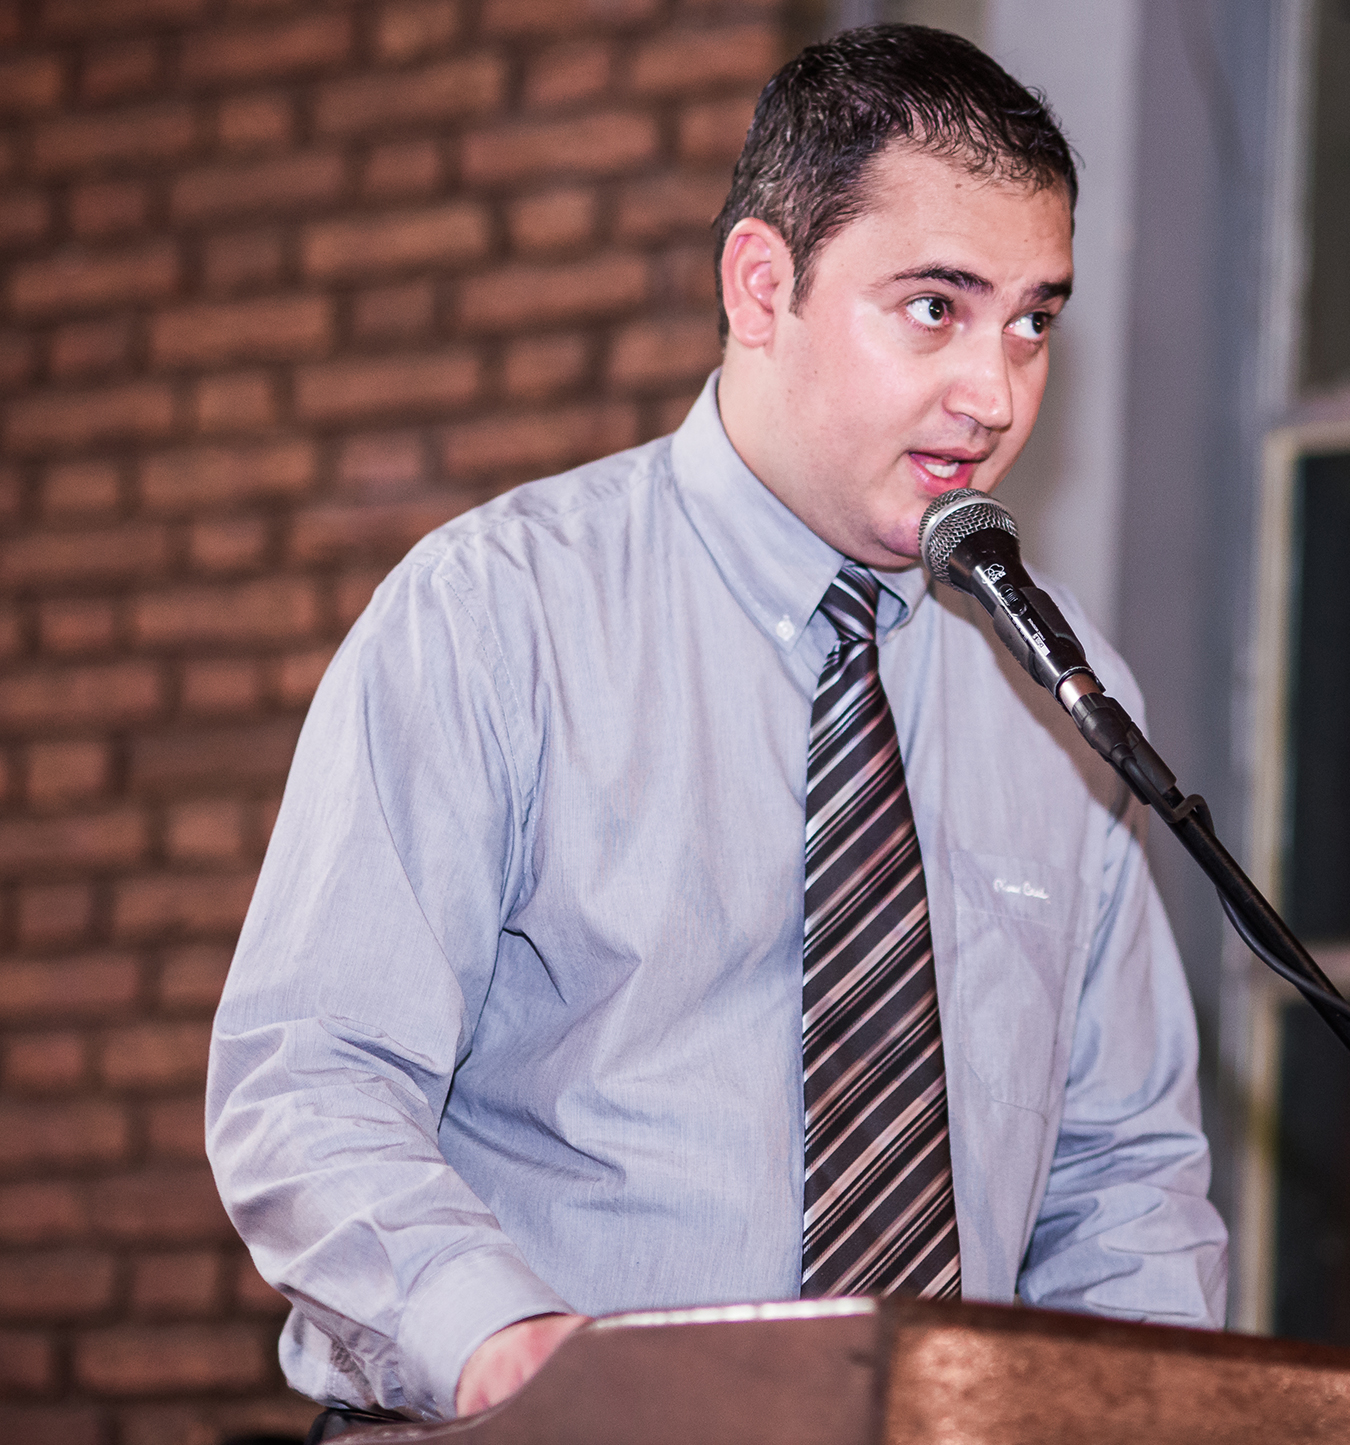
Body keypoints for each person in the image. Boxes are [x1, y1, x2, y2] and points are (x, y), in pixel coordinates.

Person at [206, 24, 1226, 1424]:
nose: (994, 394)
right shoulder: (498, 616)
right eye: (935, 306)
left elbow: (1120, 1178)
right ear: (762, 286)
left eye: (1032, 321)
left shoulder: (1062, 690)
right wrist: (505, 1346)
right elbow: (312, 1080)